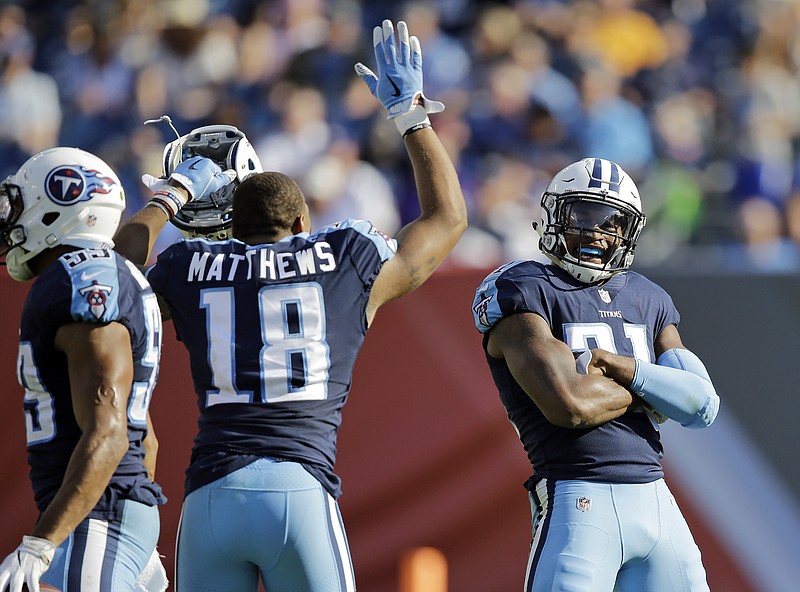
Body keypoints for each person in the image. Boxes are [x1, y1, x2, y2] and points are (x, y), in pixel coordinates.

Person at [113, 19, 467, 592]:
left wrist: (169, 196)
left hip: (211, 494)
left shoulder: (187, 268)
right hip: (299, 490)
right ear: (303, 223)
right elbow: (448, 220)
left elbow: (115, 280)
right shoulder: (344, 258)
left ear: (229, 223)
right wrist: (412, 117)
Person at [471, 157, 719, 591]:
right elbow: (572, 405)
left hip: (658, 503)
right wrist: (654, 387)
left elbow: (701, 405)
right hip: (578, 501)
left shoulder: (649, 297)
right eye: (584, 215)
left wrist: (619, 367)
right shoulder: (524, 288)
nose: (598, 232)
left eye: (613, 223)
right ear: (554, 214)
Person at [0, 146, 227, 592]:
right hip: (107, 508)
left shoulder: (78, 283)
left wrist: (40, 543)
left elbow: (109, 433)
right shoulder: (95, 274)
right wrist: (172, 196)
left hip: (98, 514)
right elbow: (146, 440)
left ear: (57, 205)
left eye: (19, 203)